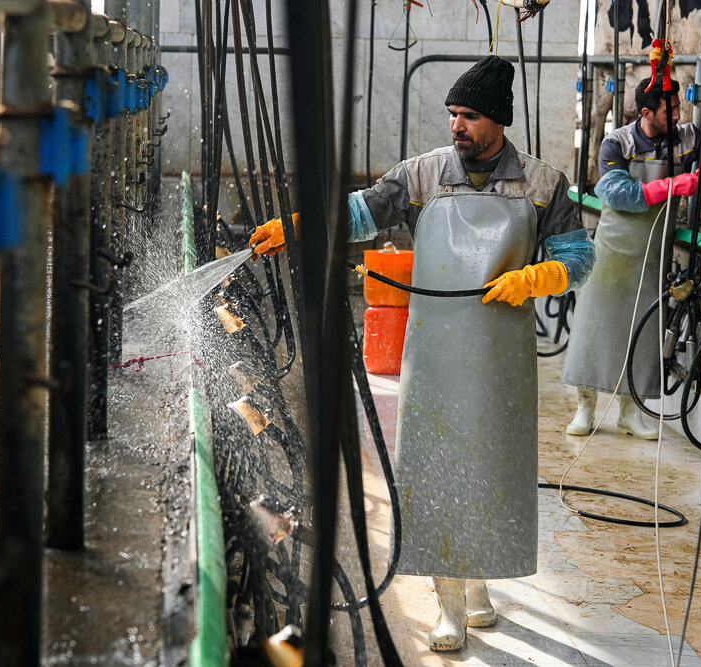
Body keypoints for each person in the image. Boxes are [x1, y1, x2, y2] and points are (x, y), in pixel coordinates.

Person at [250, 56, 595, 652]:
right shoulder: (423, 174)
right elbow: (360, 212)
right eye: (453, 114)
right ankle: (448, 604)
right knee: (436, 470)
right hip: (435, 353)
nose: (457, 125)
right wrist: (298, 225)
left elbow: (580, 257)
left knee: (493, 468)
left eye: (470, 116)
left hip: (501, 358)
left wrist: (539, 276)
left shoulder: (543, 184)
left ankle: (479, 583)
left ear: (499, 121)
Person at [561, 77, 701, 438]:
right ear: (646, 113)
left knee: (643, 333)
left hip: (652, 253)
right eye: (669, 110)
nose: (677, 114)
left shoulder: (687, 139)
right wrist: (673, 185)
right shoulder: (618, 142)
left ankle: (630, 412)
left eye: (678, 107)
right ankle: (585, 408)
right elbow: (617, 194)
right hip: (613, 252)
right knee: (594, 329)